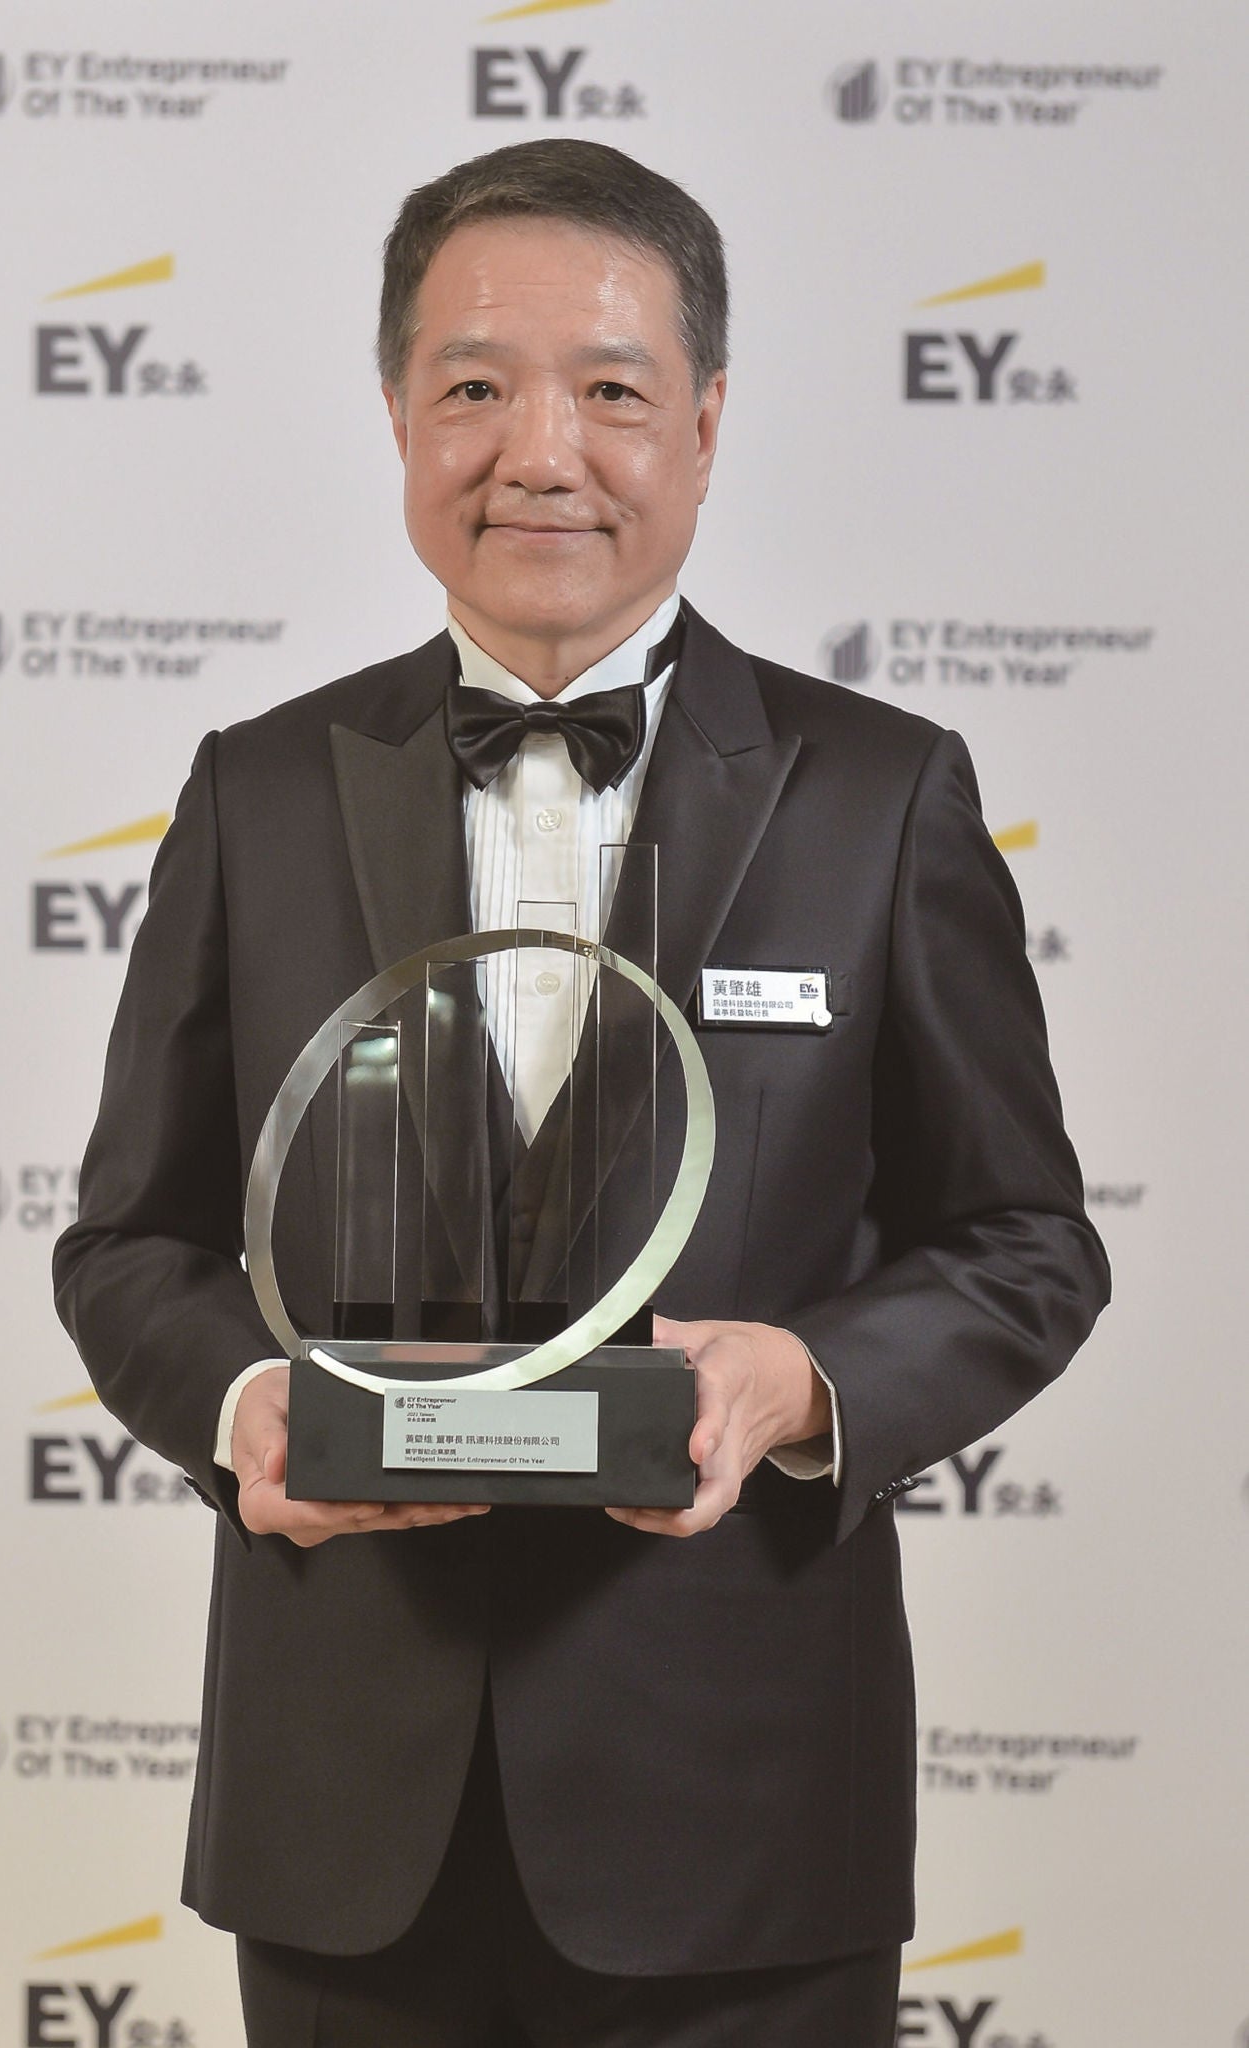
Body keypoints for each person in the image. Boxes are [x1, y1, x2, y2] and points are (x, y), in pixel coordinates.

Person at [54, 139, 1109, 2046]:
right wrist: (244, 1405)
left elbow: (1025, 1242)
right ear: (398, 416)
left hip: (745, 1815)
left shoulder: (883, 796)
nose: (539, 451)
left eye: (611, 390)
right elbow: (129, 1242)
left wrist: (801, 1382)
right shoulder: (257, 791)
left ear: (704, 425)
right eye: (474, 385)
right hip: (346, 1815)